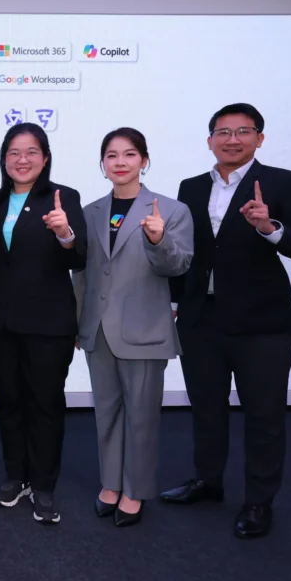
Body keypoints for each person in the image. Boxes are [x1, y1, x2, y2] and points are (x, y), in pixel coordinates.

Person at [161, 103, 291, 539]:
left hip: (263, 323)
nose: (232, 139)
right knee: (206, 409)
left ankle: (258, 502)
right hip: (201, 318)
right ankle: (207, 481)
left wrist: (269, 227)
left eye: (243, 131)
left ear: (259, 138)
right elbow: (189, 251)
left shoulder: (285, 182)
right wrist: (175, 301)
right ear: (209, 139)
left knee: (264, 416)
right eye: (223, 132)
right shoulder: (191, 187)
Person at [73, 128, 194, 527]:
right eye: (111, 155)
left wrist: (158, 240)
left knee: (141, 416)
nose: (120, 162)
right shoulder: (90, 211)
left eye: (129, 154)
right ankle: (110, 483)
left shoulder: (171, 211)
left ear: (144, 160)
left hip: (144, 330)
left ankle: (135, 490)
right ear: (102, 163)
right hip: (98, 329)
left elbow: (178, 266)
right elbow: (82, 274)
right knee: (106, 412)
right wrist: (78, 323)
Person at [0, 123, 87, 524]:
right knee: (9, 402)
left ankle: (43, 484)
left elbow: (78, 258)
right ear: (4, 159)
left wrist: (65, 233)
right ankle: (15, 476)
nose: (22, 160)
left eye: (31, 152)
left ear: (45, 158)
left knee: (45, 405)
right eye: (14, 153)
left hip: (48, 324)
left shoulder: (62, 198)